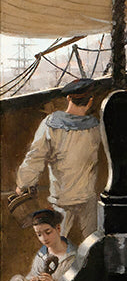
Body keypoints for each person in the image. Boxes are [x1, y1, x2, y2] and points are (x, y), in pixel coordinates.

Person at [15, 77, 101, 241]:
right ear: (90, 101)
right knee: (93, 244)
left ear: (68, 98)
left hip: (61, 199)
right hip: (87, 198)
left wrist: (23, 184)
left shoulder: (50, 124)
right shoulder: (96, 127)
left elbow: (35, 157)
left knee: (56, 245)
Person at [0, 209, 76, 281]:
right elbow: (32, 276)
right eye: (39, 235)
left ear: (58, 228)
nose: (44, 238)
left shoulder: (72, 257)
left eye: (48, 232)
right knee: (17, 279)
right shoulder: (42, 254)